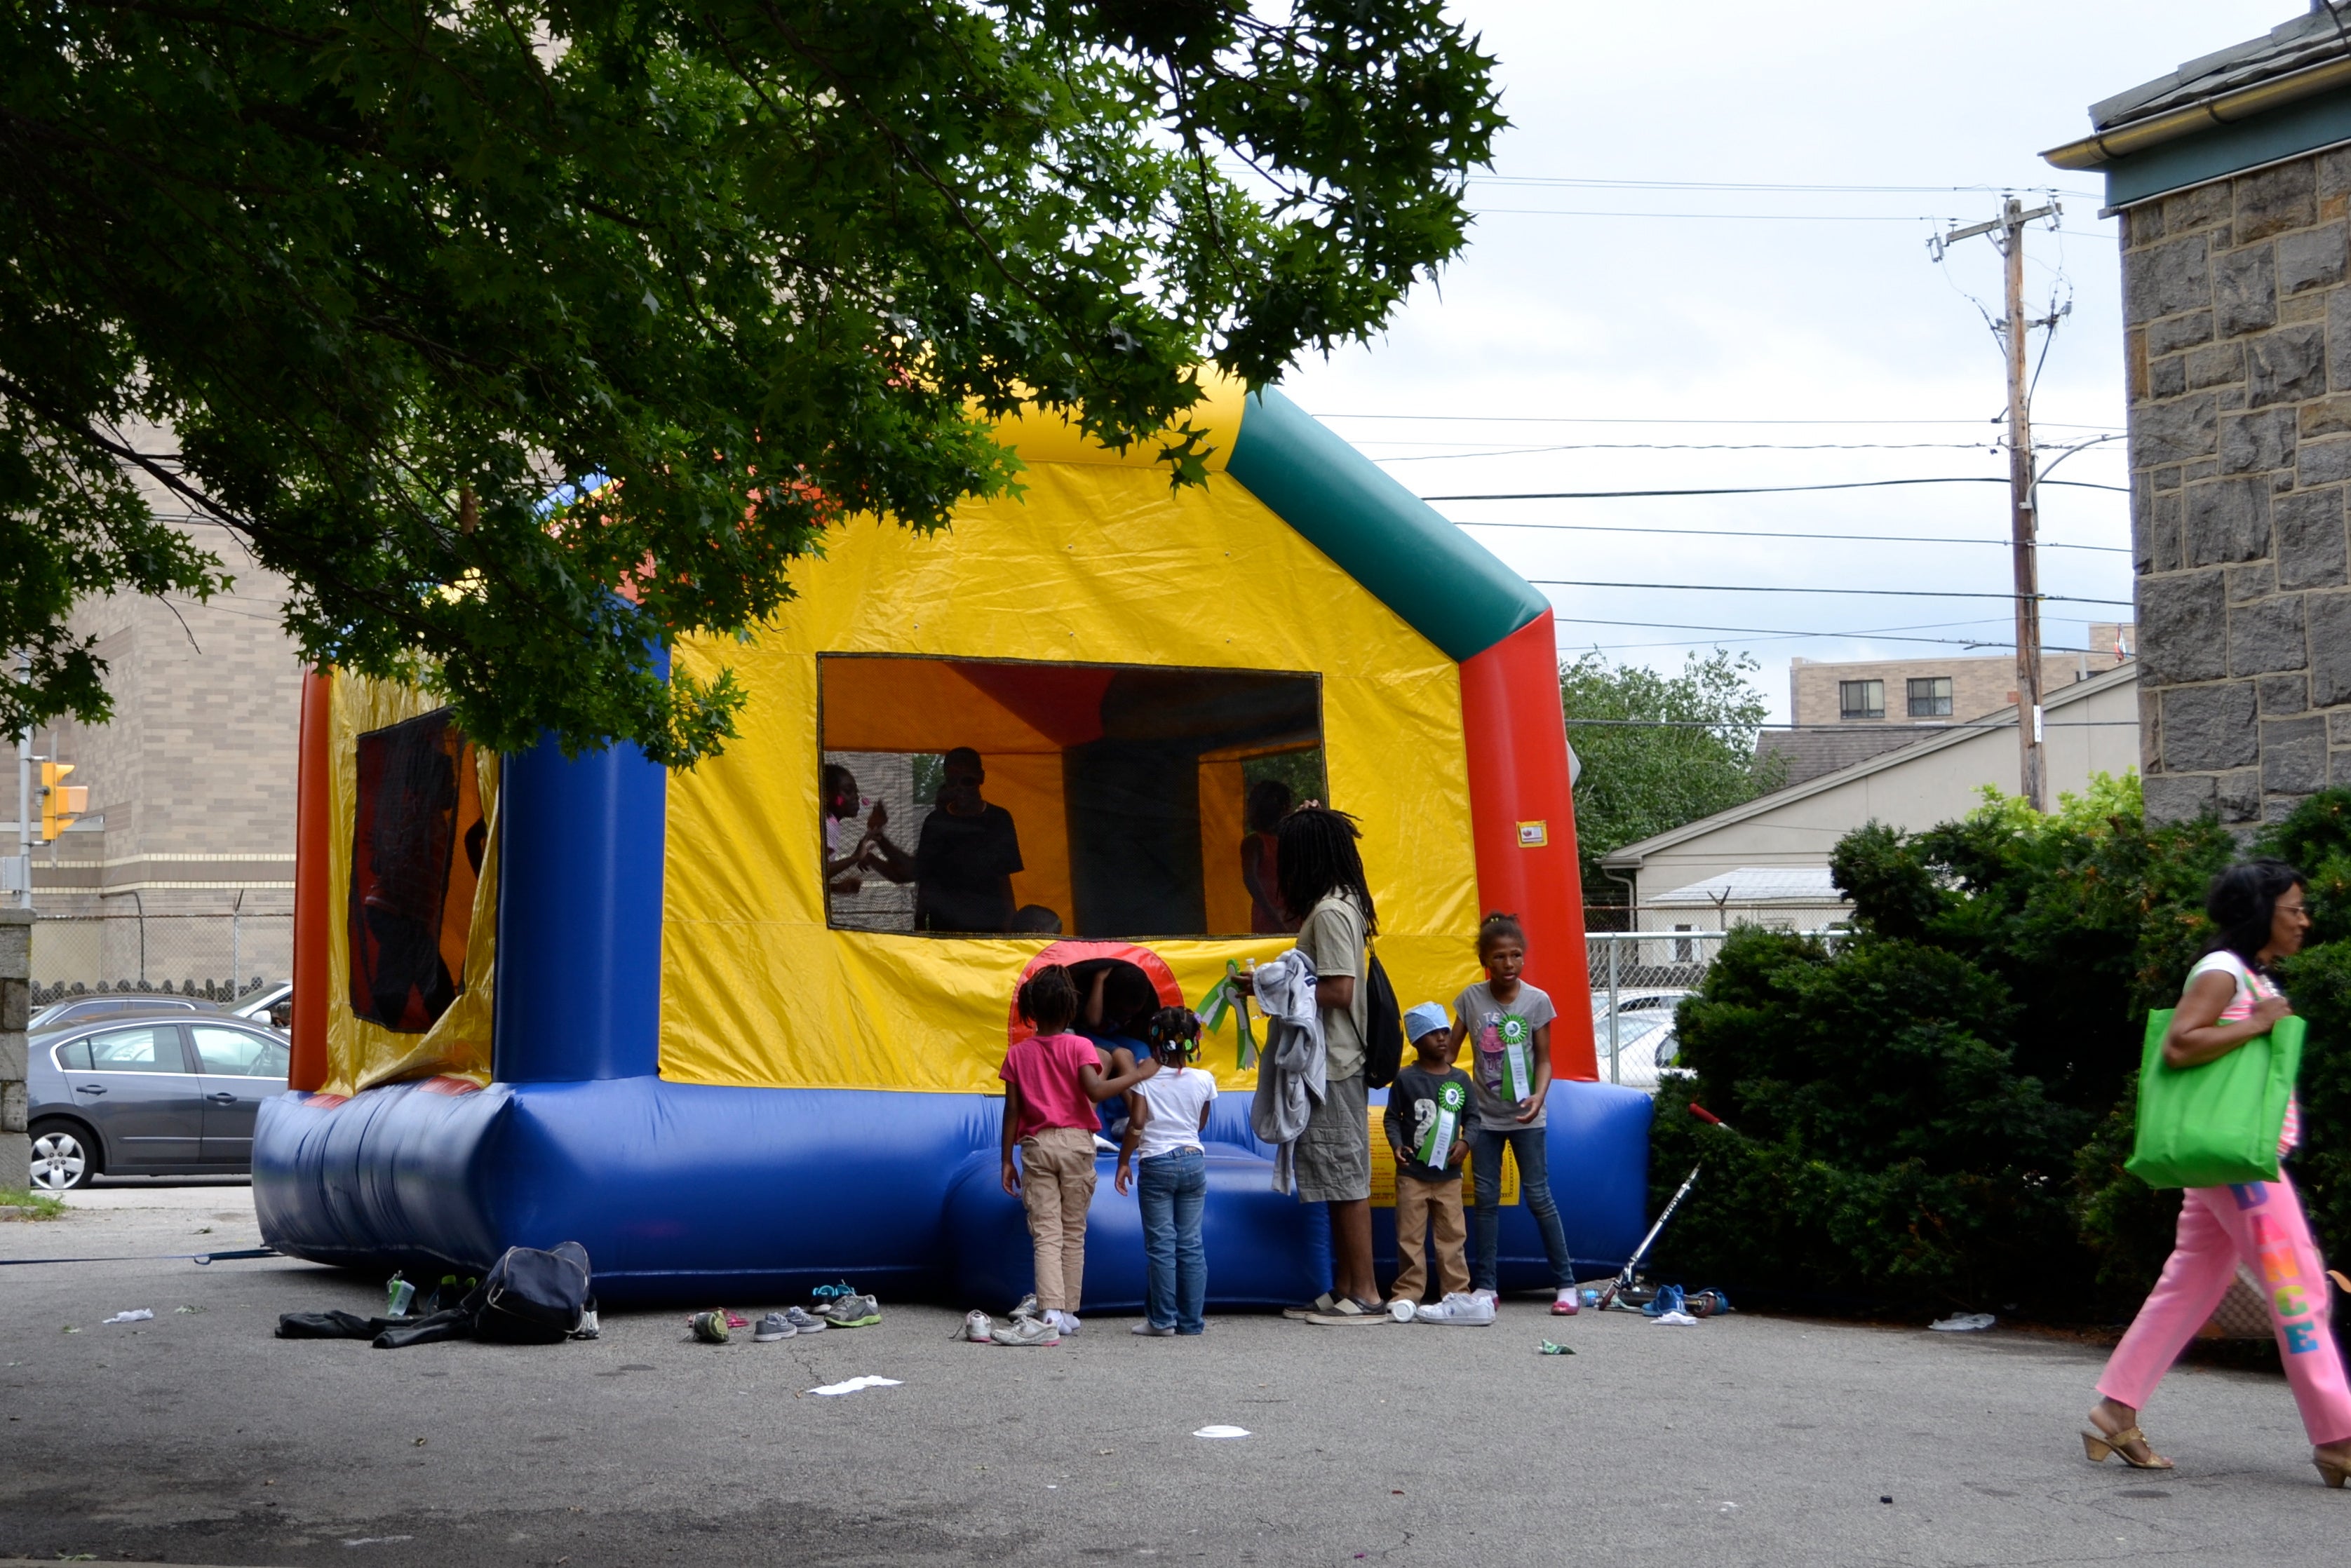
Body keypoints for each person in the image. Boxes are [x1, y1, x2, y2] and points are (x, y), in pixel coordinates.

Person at [2084, 860, 2351, 1485]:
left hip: (2231, 1166)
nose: (2305, 920)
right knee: (2300, 1292)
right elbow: (2179, 1044)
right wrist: (2261, 1023)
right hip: (2242, 1170)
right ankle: (2339, 1436)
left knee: (2189, 1287)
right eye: (2294, 910)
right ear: (2261, 912)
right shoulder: (2222, 972)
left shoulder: (2245, 976)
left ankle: (2113, 1409)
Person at [1242, 804, 1383, 1324]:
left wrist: (1269, 985)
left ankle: (1365, 1291)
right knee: (1329, 1169)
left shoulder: (1328, 912)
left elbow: (1340, 990)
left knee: (1344, 1175)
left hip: (1335, 1065)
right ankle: (1344, 1285)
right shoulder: (1340, 903)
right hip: (1330, 1064)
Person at [998, 964, 1159, 1341]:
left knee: (1047, 1232)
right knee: (1074, 1230)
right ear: (1071, 1009)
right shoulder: (1080, 1046)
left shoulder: (1018, 1054)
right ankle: (1068, 1310)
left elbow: (1012, 1111)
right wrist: (1137, 1075)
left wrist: (1006, 1159)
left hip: (1037, 1146)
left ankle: (1051, 1309)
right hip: (1076, 1144)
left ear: (1030, 1011)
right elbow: (1095, 1093)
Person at [1450, 912, 1579, 1317]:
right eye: (1500, 957)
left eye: (1516, 956)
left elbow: (1544, 1060)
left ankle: (1566, 1284)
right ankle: (1486, 1286)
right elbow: (1450, 1054)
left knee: (1539, 1198)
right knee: (1485, 1200)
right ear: (1485, 961)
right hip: (1483, 1120)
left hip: (1527, 1118)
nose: (1509, 964)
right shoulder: (1470, 999)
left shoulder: (1537, 1001)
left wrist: (1539, 1097)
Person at [1117, 1007, 1218, 1337]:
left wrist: (1123, 1162)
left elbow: (1137, 1124)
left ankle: (1162, 1321)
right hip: (1193, 1160)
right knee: (1191, 1243)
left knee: (1162, 1246)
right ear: (1194, 1041)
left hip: (1157, 1163)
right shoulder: (1204, 1080)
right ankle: (1191, 1322)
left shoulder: (1146, 1080)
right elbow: (1199, 1125)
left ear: (1155, 1041)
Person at [1386, 1001, 1474, 1322]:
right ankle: (1408, 1294)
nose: (1442, 1038)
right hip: (1413, 1176)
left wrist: (1466, 1142)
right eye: (1433, 1033)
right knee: (1409, 1236)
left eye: (1445, 1032)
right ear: (1416, 1041)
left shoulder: (1462, 1081)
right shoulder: (1406, 1079)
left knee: (1452, 1235)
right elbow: (1392, 1118)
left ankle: (1457, 1294)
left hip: (1449, 1178)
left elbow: (1474, 1118)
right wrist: (1396, 1145)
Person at [906, 748, 1022, 933]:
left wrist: (1010, 919)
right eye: (952, 782)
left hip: (990, 925)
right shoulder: (935, 822)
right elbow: (926, 879)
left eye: (967, 781)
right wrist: (919, 924)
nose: (960, 787)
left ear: (981, 778)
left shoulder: (999, 819)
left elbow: (1004, 875)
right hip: (945, 926)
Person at [1239, 778, 1293, 935]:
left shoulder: (1289, 840)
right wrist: (1274, 914)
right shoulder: (1255, 841)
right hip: (1270, 917)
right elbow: (1250, 879)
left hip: (1293, 915)